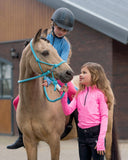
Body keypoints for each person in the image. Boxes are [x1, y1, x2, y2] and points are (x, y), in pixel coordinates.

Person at [7, 7, 76, 149]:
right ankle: (22, 135)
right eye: (59, 28)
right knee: (16, 101)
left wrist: (51, 80)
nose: (61, 32)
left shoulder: (66, 45)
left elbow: (62, 62)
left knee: (74, 92)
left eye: (65, 30)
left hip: (57, 76)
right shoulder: (46, 39)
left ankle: (75, 126)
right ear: (53, 24)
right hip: (41, 76)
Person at [60, 62, 115, 160]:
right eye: (81, 72)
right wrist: (64, 95)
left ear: (94, 76)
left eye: (84, 72)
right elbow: (67, 111)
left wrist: (101, 141)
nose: (80, 75)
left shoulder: (100, 95)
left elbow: (104, 117)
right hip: (82, 136)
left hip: (95, 135)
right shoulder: (79, 94)